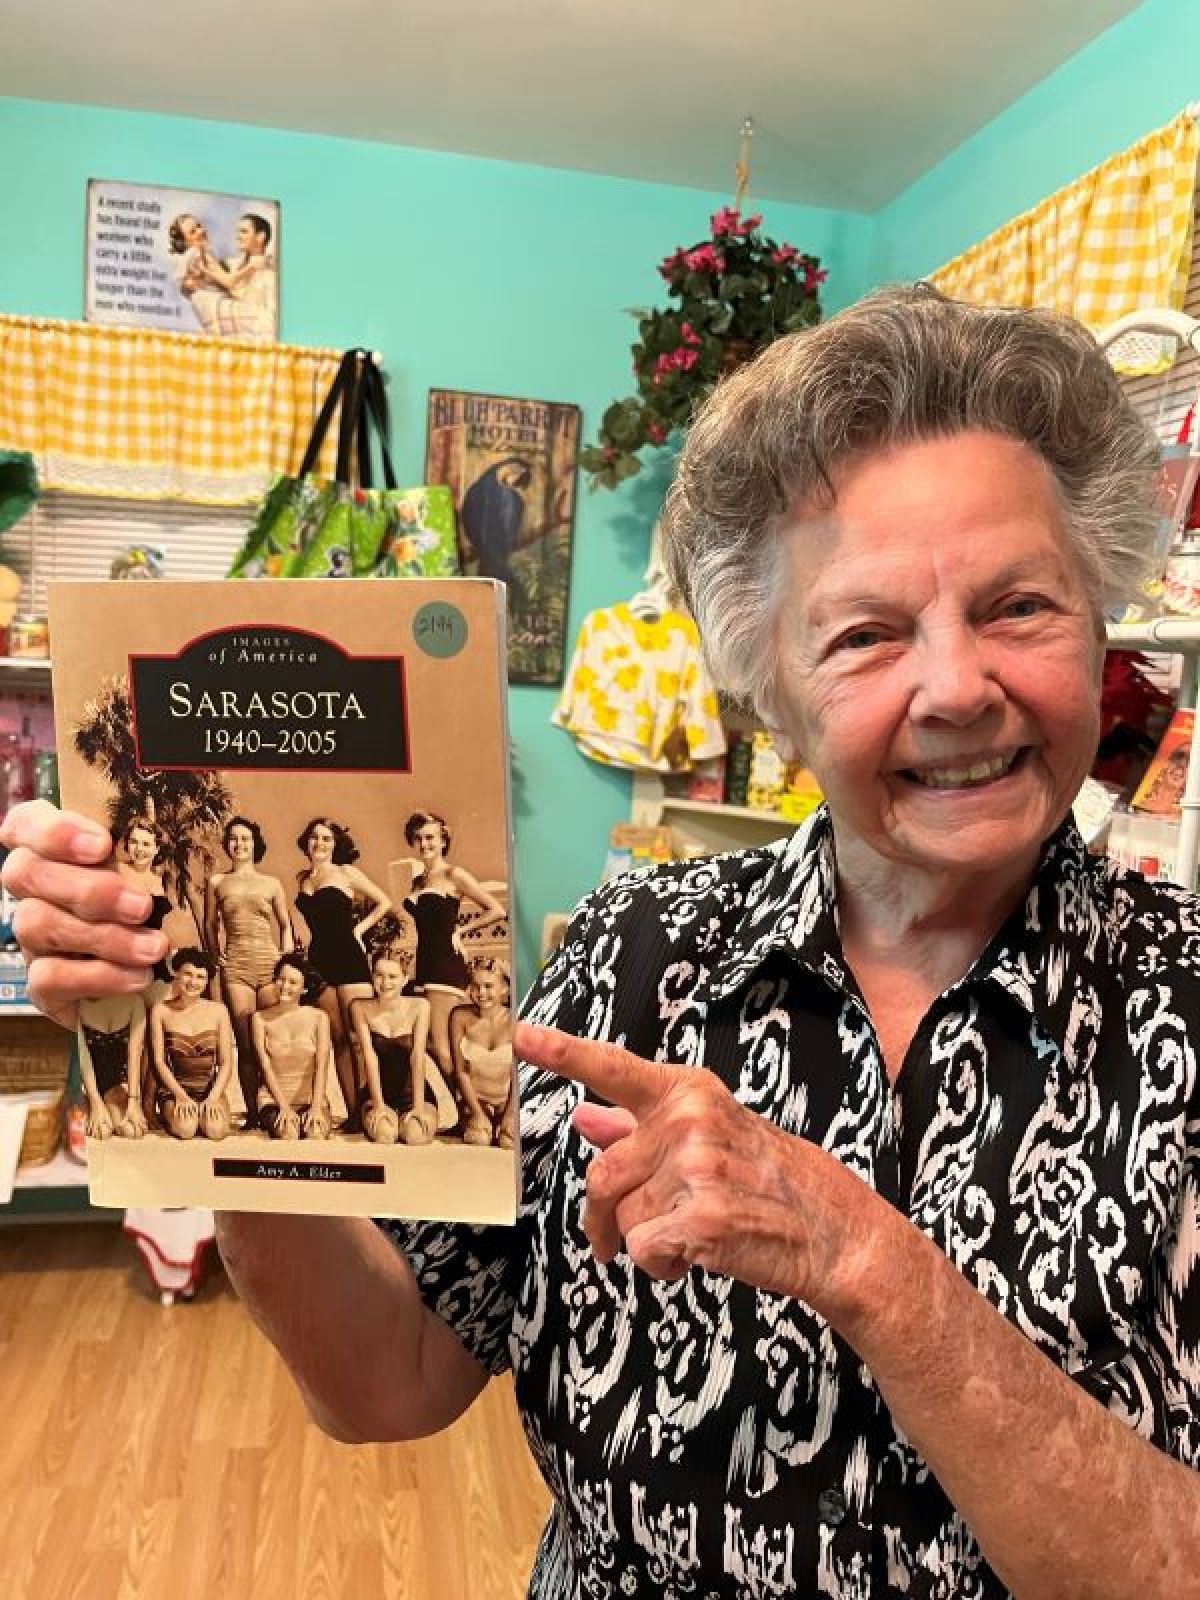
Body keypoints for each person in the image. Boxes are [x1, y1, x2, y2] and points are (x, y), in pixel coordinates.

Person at [4, 285, 1199, 1598]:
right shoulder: (639, 956)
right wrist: (206, 1051)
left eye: (1021, 605)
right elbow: (386, 1385)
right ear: (774, 704)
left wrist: (872, 1269)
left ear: (1102, 631)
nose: (960, 686)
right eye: (865, 635)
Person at [396, 810, 507, 1112]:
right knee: (432, 1043)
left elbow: (496, 909)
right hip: (425, 966)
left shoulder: (454, 875)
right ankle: (467, 1108)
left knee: (441, 1047)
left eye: (430, 837)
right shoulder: (418, 881)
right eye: (418, 838)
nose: (424, 843)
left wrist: (462, 930)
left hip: (445, 964)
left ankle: (471, 1111)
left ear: (443, 840)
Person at [294, 817, 390, 1127]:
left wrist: (359, 931)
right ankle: (352, 1113)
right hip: (319, 961)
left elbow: (384, 902)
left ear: (336, 844)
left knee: (360, 1037)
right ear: (306, 843)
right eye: (314, 838)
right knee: (337, 1040)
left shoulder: (347, 873)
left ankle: (375, 1107)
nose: (319, 843)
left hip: (349, 957)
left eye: (326, 838)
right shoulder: (302, 879)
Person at [204, 815, 293, 1129]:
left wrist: (286, 961)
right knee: (245, 1042)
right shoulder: (217, 882)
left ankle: (279, 1107)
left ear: (255, 844)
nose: (239, 844)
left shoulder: (272, 884)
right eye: (233, 839)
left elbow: (285, 925)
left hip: (269, 965)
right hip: (237, 967)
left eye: (245, 838)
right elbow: (210, 925)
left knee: (269, 1041)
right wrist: (217, 957)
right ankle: (254, 1115)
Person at [350, 950, 436, 1146]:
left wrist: (418, 1106)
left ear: (405, 979)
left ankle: (409, 1117)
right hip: (377, 1093)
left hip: (413, 1093)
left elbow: (417, 1057)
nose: (385, 982)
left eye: (392, 976)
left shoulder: (420, 1006)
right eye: (379, 975)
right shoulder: (359, 1007)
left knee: (415, 1137)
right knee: (385, 1136)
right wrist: (379, 1105)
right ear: (372, 977)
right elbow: (369, 1057)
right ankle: (386, 1115)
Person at [147, 948, 233, 1140]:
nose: (193, 982)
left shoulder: (219, 1011)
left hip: (209, 1088)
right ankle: (174, 1111)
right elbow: (159, 1062)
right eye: (188, 974)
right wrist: (180, 1096)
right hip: (176, 1087)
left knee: (215, 1131)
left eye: (200, 977)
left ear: (207, 980)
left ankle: (203, 1111)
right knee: (186, 1130)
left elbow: (226, 1062)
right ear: (176, 973)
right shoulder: (161, 1011)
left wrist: (213, 1097)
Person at [250, 953, 332, 1141]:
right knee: (289, 1134)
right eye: (281, 980)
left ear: (304, 989)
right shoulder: (260, 1019)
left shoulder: (319, 1018)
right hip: (274, 1100)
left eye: (293, 982)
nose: (285, 986)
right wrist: (284, 1107)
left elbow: (322, 1067)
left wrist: (317, 1107)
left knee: (316, 1134)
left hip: (311, 1100)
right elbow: (265, 1066)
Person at [447, 956, 514, 1148]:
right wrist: (477, 1114)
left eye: (488, 986)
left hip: (507, 1101)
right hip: (473, 1101)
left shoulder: (514, 1018)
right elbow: (460, 1072)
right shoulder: (459, 1017)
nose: (481, 993)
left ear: (504, 988)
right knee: (480, 1140)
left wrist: (510, 1115)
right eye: (475, 986)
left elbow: (517, 1073)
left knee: (508, 1142)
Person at [78, 991, 148, 1139]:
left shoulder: (135, 1002)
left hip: (116, 1084)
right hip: (86, 1083)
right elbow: (82, 1055)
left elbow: (134, 1055)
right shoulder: (75, 1004)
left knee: (132, 1131)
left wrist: (133, 1100)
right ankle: (94, 1103)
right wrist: (95, 1101)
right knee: (101, 1132)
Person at [115, 819, 172, 984]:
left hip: (152, 959)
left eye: (146, 844)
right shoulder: (118, 871)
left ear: (157, 849)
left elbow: (163, 929)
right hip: (121, 956)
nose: (139, 849)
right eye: (134, 842)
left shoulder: (161, 881)